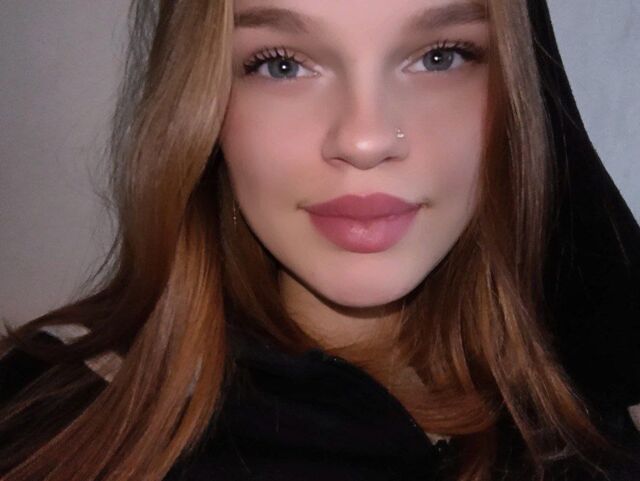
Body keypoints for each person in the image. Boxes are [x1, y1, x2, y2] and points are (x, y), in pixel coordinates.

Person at [1, 0, 639, 480]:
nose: (363, 140)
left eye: (440, 57)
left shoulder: (597, 411)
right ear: (202, 105)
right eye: (281, 65)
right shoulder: (45, 423)